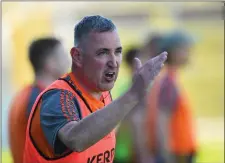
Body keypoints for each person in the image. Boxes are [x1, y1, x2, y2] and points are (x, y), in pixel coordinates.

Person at [23, 15, 168, 163]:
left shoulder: (103, 93)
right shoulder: (57, 96)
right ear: (77, 56)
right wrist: (133, 94)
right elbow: (75, 139)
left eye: (117, 51)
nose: (114, 62)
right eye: (103, 53)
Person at [8, 37, 69, 163]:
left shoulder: (24, 95)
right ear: (50, 63)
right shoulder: (43, 99)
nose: (68, 61)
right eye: (63, 56)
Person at [145, 31, 197, 163]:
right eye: (185, 49)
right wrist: (167, 156)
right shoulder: (168, 81)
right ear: (173, 52)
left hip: (180, 153)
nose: (189, 53)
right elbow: (162, 120)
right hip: (176, 155)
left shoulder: (170, 78)